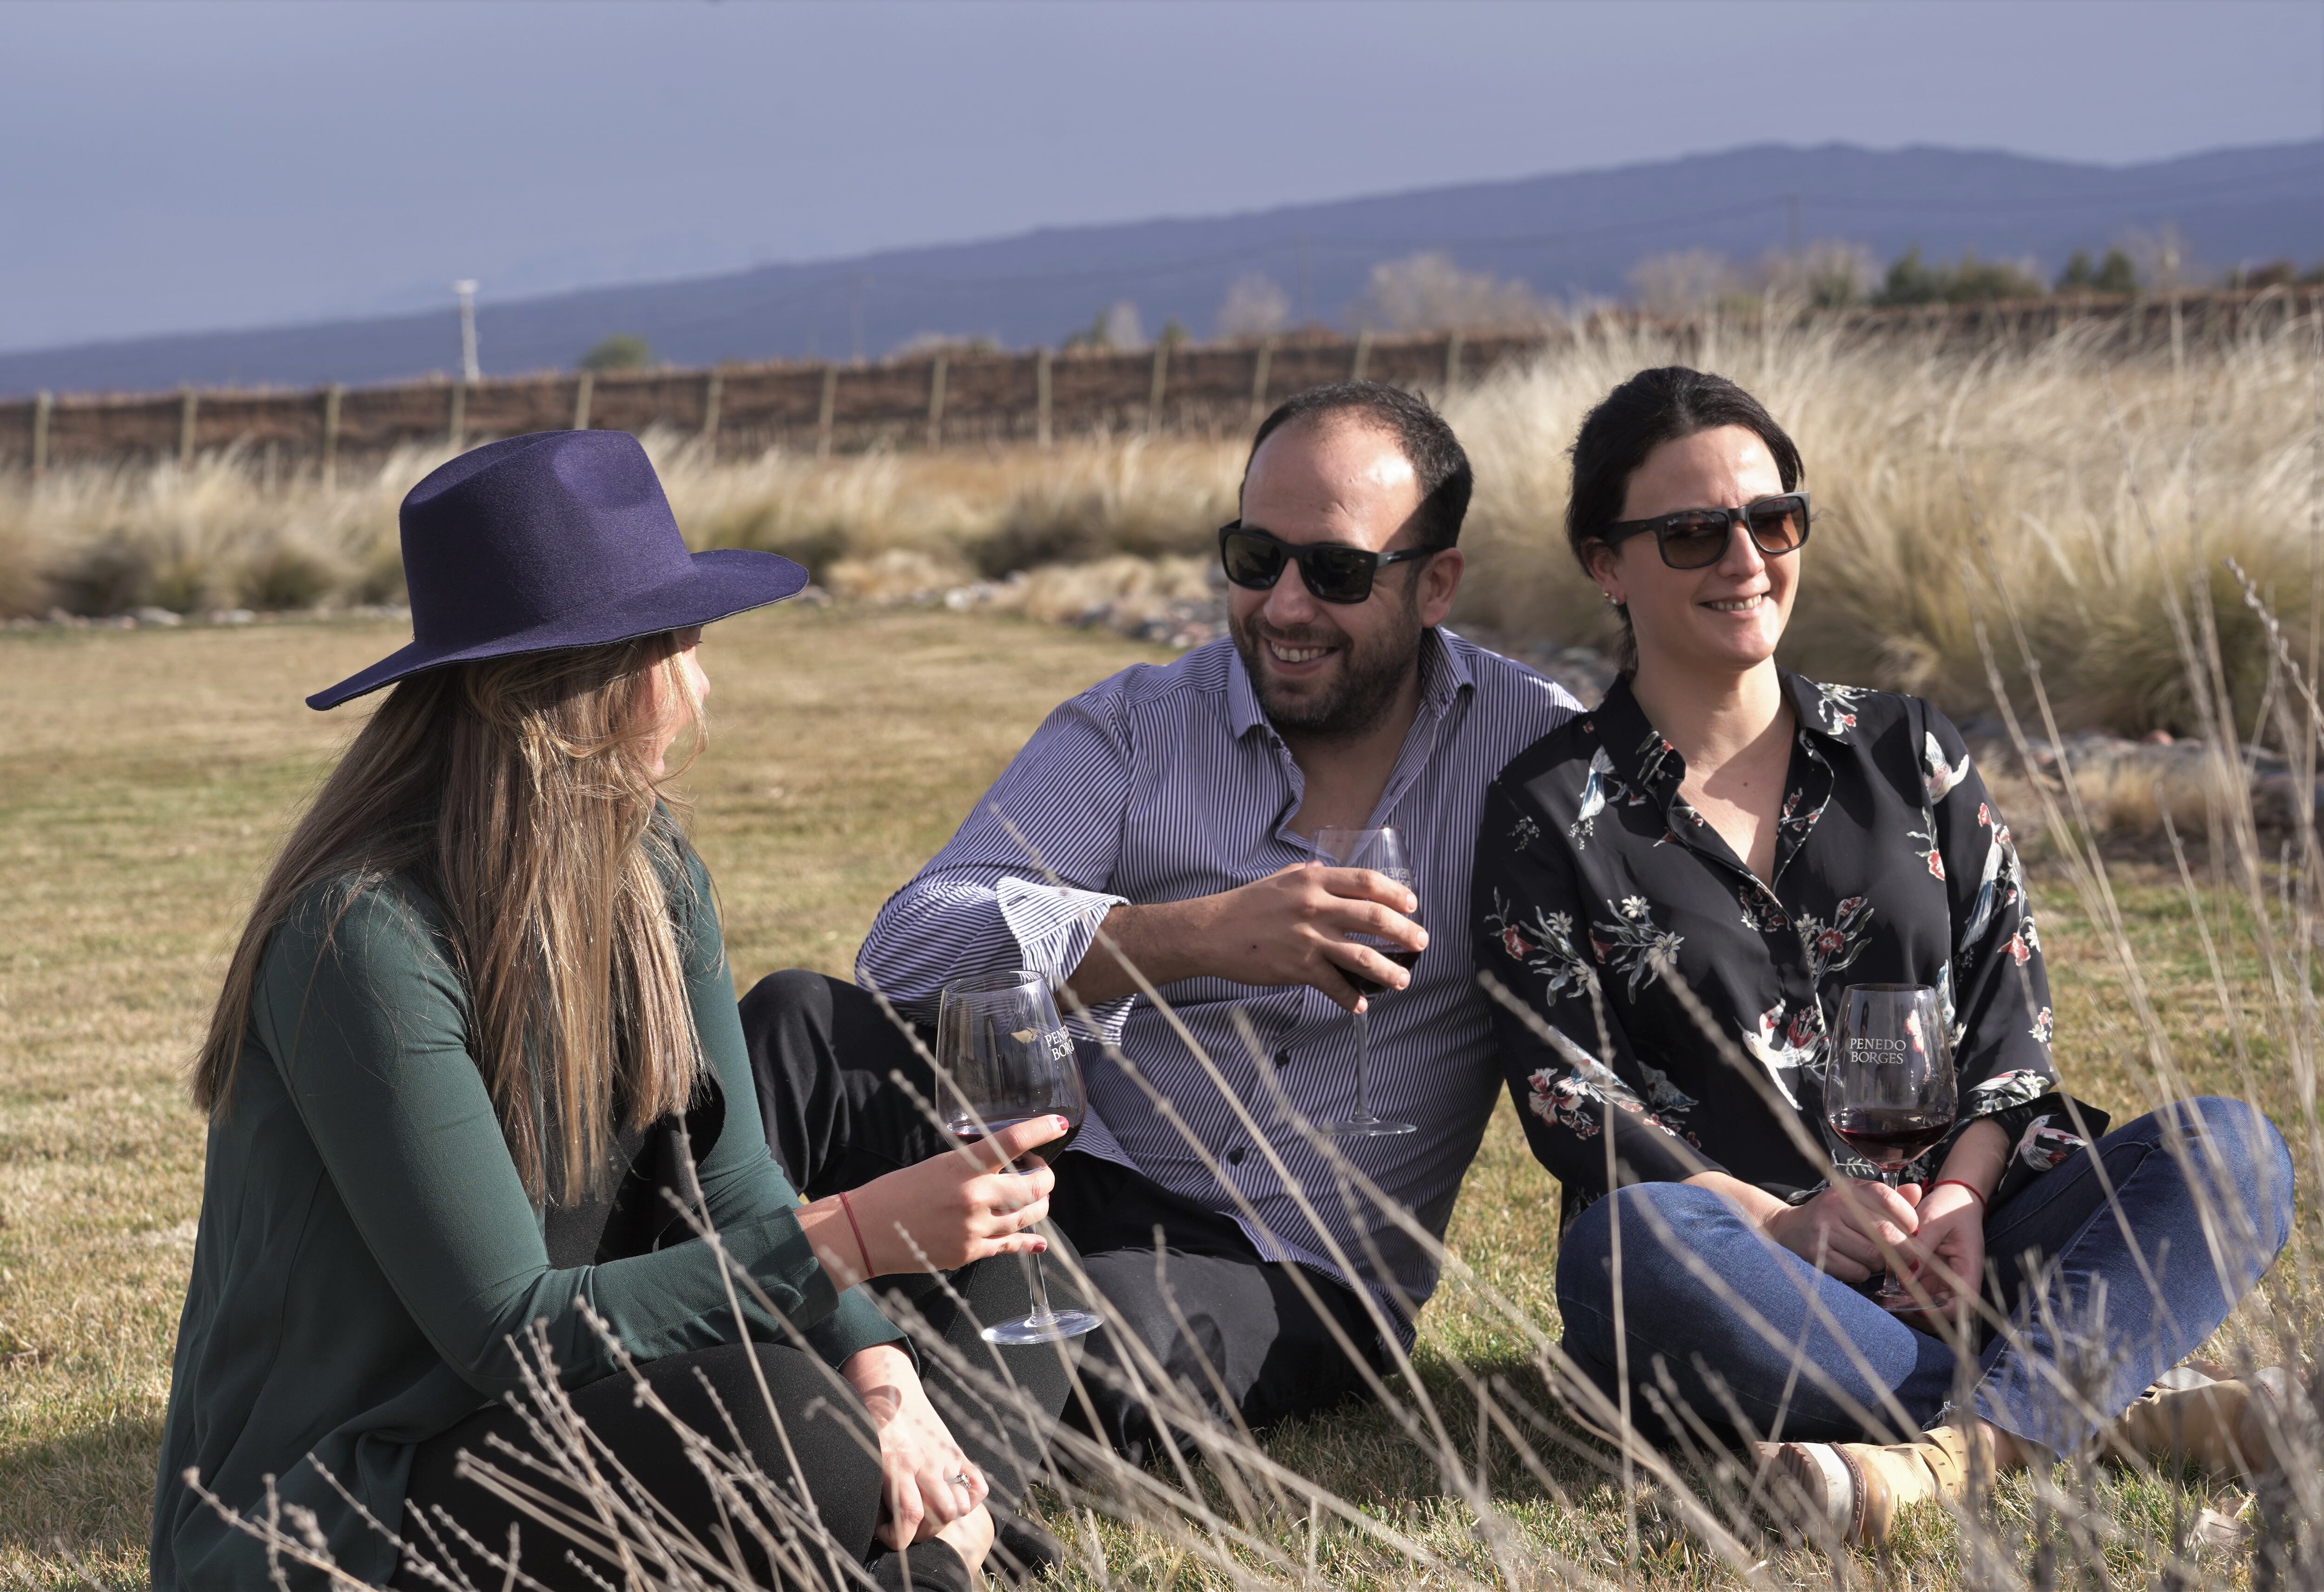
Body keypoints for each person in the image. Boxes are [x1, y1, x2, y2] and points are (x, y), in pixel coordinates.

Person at [152, 431, 1080, 1592]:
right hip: (354, 1491)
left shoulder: (653, 873)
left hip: (592, 1389)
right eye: (675, 647)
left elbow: (732, 1184)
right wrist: (857, 1240)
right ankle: (942, 1558)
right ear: (564, 689)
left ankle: (924, 1519)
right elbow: (511, 1335)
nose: (702, 685)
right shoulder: (359, 940)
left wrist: (887, 1381)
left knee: (1014, 1272)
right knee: (792, 1428)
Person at [1472, 365, 2297, 1545]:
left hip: (1981, 1243)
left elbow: (2011, 1010)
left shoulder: (1910, 749)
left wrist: (1960, 1195)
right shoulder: (1548, 809)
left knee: (2232, 1152)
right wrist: (1786, 1220)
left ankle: (1947, 1456)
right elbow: (1569, 1096)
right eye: (1694, 534)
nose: (1745, 560)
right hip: (1758, 1275)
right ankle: (2098, 1405)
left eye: (1773, 520)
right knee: (1628, 1250)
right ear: (1605, 564)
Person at [737, 382, 1580, 1465]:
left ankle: (854, 1447)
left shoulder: (1536, 758)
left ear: (1435, 585)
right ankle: (604, 1328)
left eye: (1334, 571)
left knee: (1052, 1325)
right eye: (1253, 557)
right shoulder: (1140, 723)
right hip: (1069, 1166)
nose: (1282, 606)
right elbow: (908, 945)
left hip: (1292, 1271)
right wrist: (1189, 938)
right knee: (798, 1021)